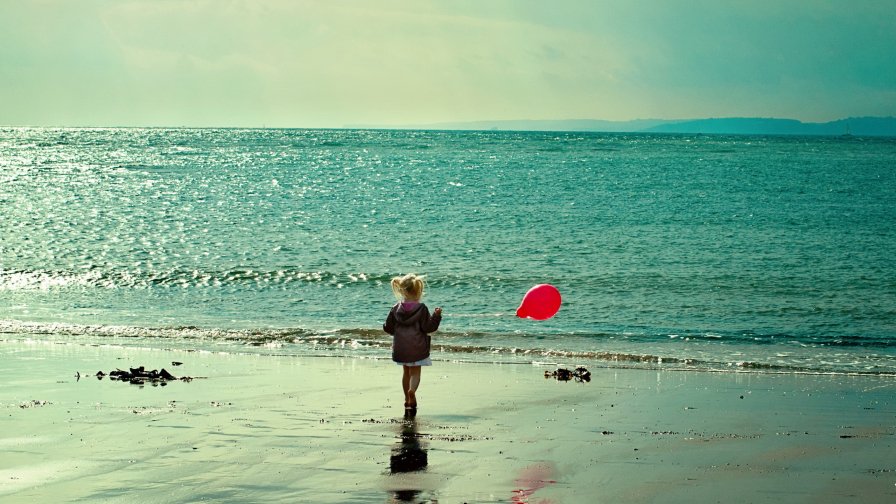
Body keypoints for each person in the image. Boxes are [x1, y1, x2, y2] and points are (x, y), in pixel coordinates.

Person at [383, 273, 442, 411]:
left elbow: (388, 327)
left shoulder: (396, 308)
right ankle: (412, 391)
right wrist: (436, 316)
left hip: (401, 347)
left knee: (406, 373)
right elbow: (429, 328)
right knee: (415, 373)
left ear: (402, 290)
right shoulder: (422, 309)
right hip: (417, 348)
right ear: (419, 291)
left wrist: (396, 332)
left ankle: (406, 399)